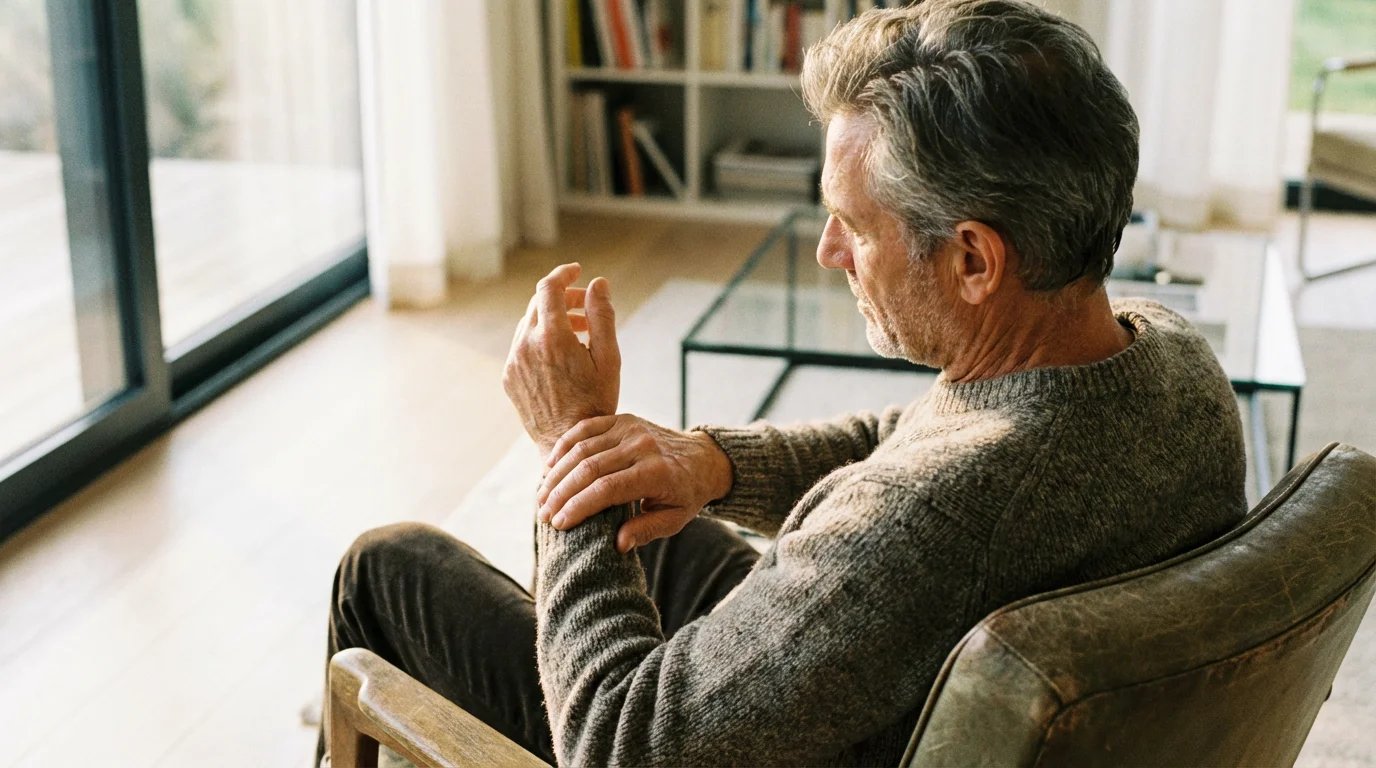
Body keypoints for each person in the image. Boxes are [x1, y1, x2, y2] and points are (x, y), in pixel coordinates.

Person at [318, 1, 1248, 765]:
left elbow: (618, 744)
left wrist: (570, 450)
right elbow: (926, 437)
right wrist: (712, 463)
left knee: (388, 569)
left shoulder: (928, 526)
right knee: (656, 518)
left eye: (852, 222)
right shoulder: (1168, 361)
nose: (826, 249)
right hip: (900, 674)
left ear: (973, 258)